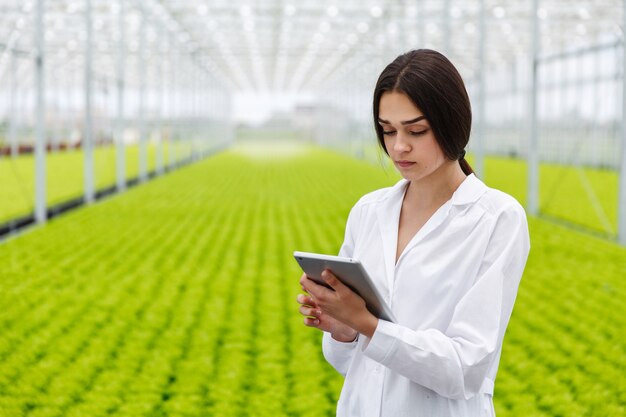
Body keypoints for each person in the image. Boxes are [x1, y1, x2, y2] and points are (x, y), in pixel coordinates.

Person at [297, 49, 531, 417]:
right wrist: (343, 329)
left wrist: (367, 323)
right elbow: (352, 363)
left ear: (452, 123)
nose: (398, 146)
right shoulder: (369, 212)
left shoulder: (496, 219)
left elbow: (466, 368)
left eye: (416, 130)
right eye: (388, 131)